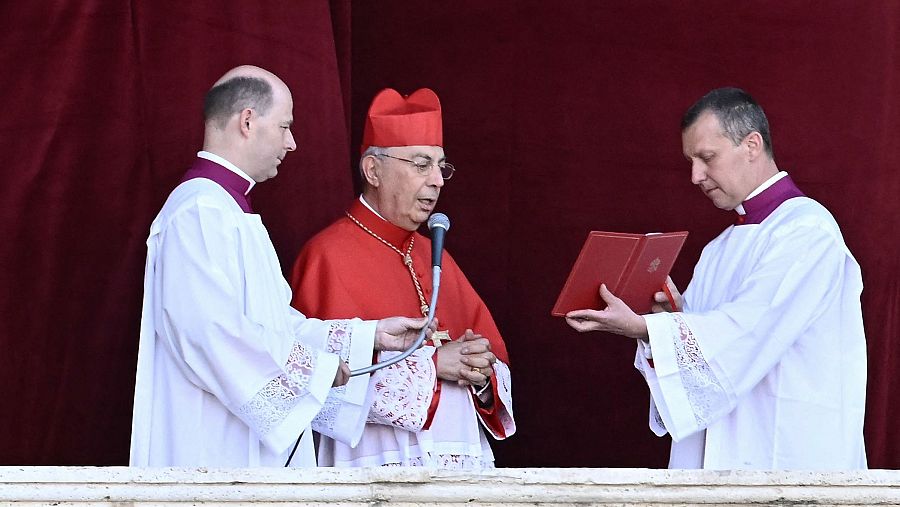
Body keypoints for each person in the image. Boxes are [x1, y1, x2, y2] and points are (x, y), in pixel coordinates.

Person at [130, 65, 433, 467]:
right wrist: (317, 371)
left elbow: (274, 326)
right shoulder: (199, 210)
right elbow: (210, 334)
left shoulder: (228, 211)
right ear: (248, 121)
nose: (291, 143)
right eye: (284, 126)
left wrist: (369, 336)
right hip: (212, 448)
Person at [566, 87, 867, 470]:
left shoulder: (806, 231)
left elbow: (747, 332)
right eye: (691, 161)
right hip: (724, 448)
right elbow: (709, 355)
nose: (695, 176)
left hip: (785, 449)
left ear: (752, 145)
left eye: (707, 158)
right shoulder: (720, 247)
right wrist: (668, 316)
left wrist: (647, 330)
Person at [289, 88, 515, 468]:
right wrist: (433, 366)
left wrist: (478, 373)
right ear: (373, 170)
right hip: (371, 462)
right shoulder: (326, 256)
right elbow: (315, 381)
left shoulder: (434, 254)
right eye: (421, 164)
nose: (438, 181)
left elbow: (493, 359)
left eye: (441, 167)